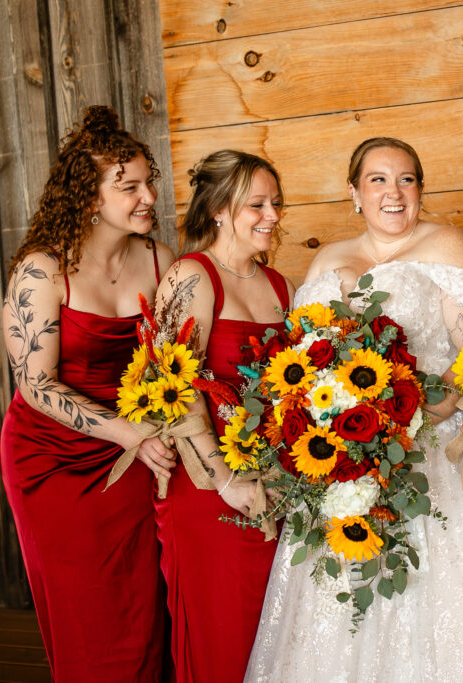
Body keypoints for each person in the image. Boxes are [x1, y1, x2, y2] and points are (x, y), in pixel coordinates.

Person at [245, 137, 463, 682]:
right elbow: (302, 361)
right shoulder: (328, 258)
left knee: (443, 602)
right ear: (354, 192)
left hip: (430, 455)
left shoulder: (450, 246)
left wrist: (426, 407)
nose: (393, 192)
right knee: (339, 599)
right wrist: (327, 426)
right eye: (378, 179)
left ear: (421, 190)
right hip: (341, 458)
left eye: (407, 179)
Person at [0, 105, 174, 681]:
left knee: (143, 605)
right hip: (52, 457)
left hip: (138, 449)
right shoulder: (41, 271)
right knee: (87, 611)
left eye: (148, 181)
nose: (148, 196)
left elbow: (173, 366)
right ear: (89, 197)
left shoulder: (159, 261)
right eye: (129, 187)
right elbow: (36, 383)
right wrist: (134, 434)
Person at [152, 150, 293, 682]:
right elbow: (172, 388)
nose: (273, 215)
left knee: (273, 632)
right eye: (256, 204)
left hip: (277, 484)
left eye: (276, 203)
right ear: (217, 209)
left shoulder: (281, 285)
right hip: (210, 490)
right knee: (225, 635)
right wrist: (225, 478)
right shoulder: (193, 276)